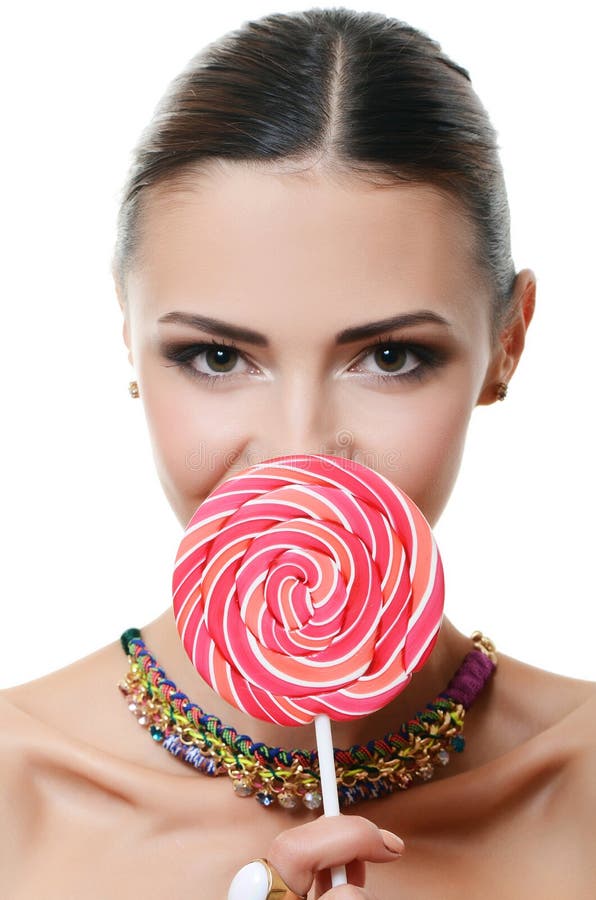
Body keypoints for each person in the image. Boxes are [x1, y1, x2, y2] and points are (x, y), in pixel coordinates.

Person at [1, 7, 594, 898]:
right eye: (216, 357)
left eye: (391, 357)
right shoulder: (16, 795)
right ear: (128, 336)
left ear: (507, 343)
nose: (300, 449)